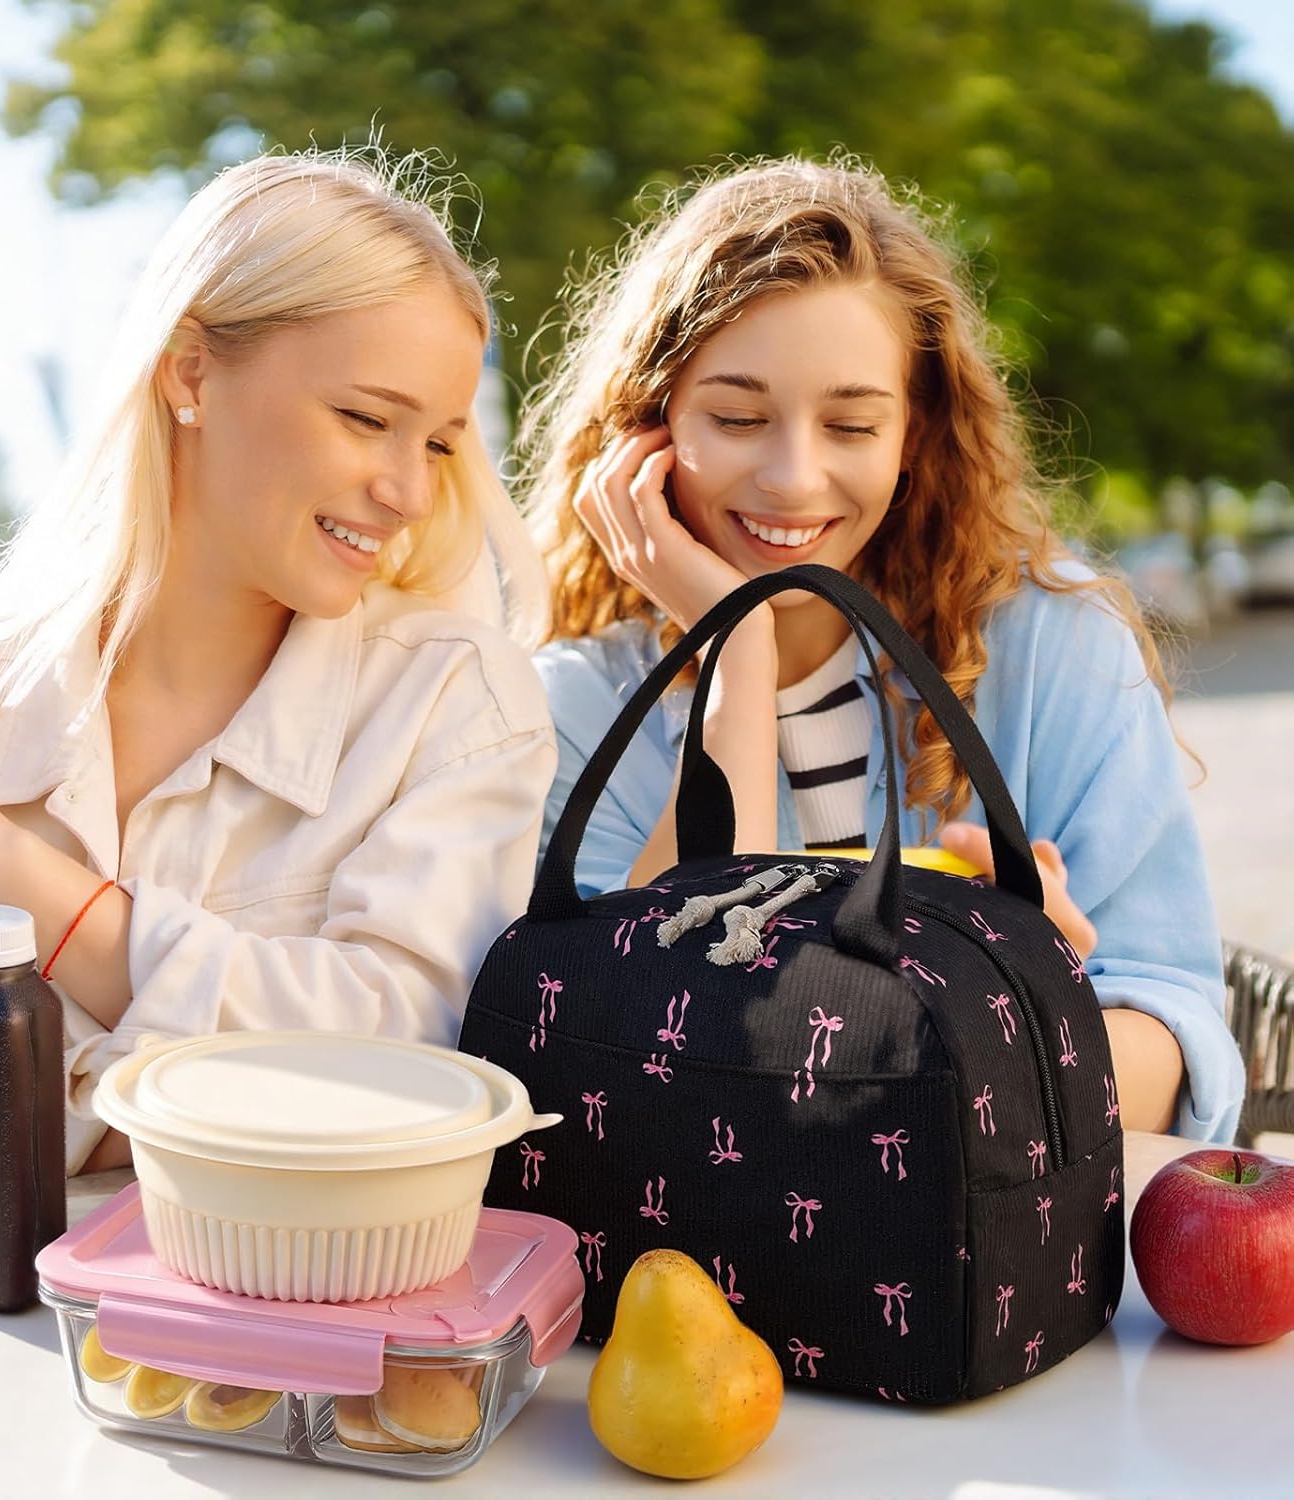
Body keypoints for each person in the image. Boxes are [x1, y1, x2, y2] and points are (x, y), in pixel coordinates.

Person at [0, 150, 557, 1230]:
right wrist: (232, 1098)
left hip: (302, 1382)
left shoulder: (456, 704)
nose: (409, 490)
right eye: (365, 418)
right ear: (191, 372)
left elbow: (405, 1083)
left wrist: (8, 871)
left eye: (437, 440)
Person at [519, 156, 1242, 1142]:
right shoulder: (570, 708)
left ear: (916, 436)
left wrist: (1028, 1001)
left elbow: (1175, 1023)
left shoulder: (1053, 651)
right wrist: (740, 655)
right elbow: (642, 1048)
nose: (793, 477)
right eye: (736, 418)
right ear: (646, 429)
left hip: (978, 1257)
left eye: (852, 423)